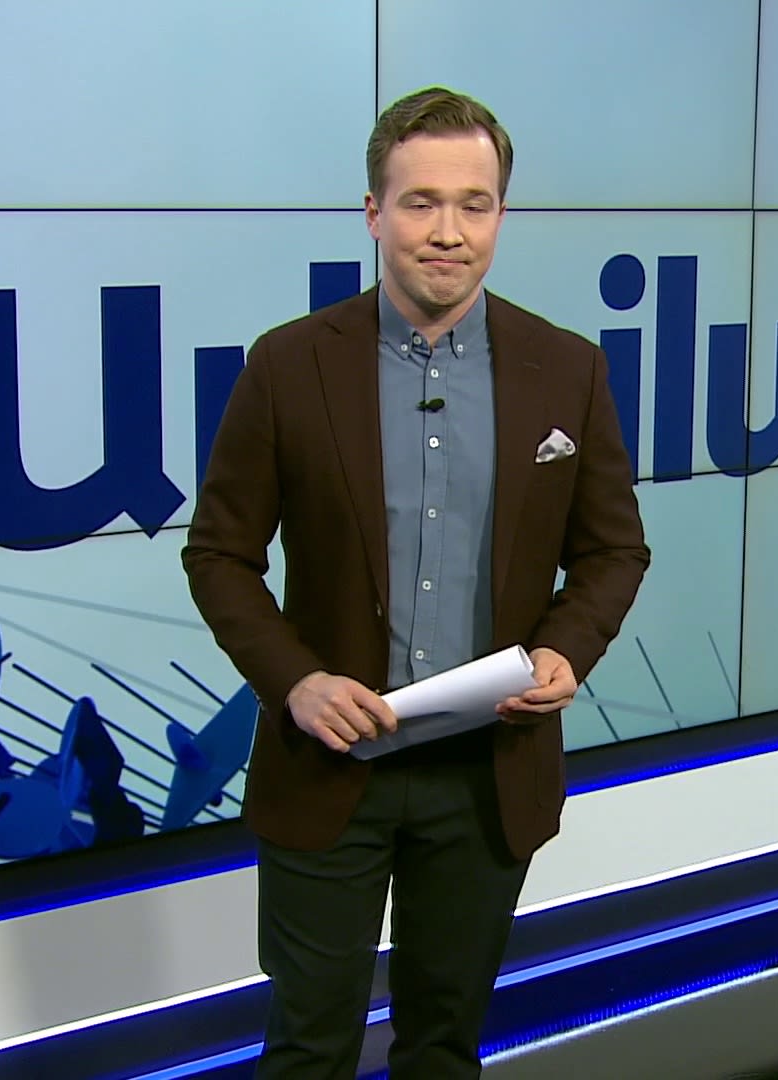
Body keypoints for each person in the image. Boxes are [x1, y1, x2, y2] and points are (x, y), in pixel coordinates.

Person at [182, 86, 650, 1079]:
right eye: (421, 202)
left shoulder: (567, 369)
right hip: (330, 769)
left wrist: (565, 651)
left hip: (488, 774)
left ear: (501, 215)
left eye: (474, 204)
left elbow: (614, 550)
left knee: (442, 1048)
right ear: (373, 212)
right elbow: (219, 555)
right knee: (308, 1048)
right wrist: (297, 683)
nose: (448, 231)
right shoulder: (288, 366)